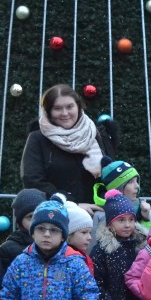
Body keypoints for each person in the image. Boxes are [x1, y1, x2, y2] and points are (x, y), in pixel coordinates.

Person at [21, 84, 117, 214]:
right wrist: (72, 204)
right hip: (57, 215)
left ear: (78, 107)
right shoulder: (38, 138)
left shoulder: (95, 134)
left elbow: (111, 175)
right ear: (48, 111)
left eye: (70, 107)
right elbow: (33, 180)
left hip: (98, 215)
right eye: (57, 108)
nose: (65, 113)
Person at [0, 188, 46, 271]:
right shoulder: (8, 249)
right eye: (30, 217)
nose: (36, 220)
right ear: (20, 221)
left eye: (39, 214)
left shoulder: (55, 243)